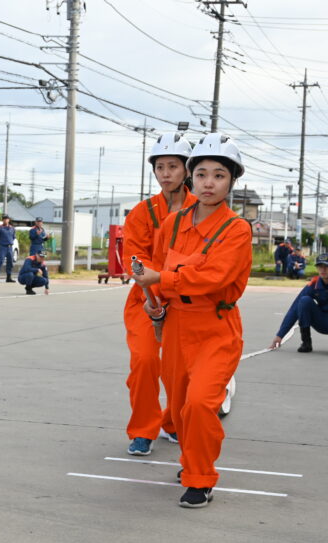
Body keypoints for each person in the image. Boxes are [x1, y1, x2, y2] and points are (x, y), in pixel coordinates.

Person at [135, 133, 253, 508]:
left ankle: (201, 478)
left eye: (219, 175)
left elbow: (214, 277)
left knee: (201, 403)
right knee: (182, 407)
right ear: (191, 178)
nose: (208, 182)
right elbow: (157, 269)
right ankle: (191, 461)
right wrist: (154, 303)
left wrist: (162, 280)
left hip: (216, 327)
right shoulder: (173, 223)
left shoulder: (237, 229)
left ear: (232, 181)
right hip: (176, 326)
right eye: (201, 174)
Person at [121, 132, 197, 456]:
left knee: (180, 371)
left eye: (173, 166)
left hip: (184, 301)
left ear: (187, 170)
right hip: (145, 300)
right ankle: (142, 429)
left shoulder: (204, 210)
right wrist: (153, 293)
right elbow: (134, 260)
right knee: (145, 361)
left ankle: (173, 423)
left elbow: (201, 259)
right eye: (160, 167)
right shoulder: (141, 213)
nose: (166, 174)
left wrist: (170, 286)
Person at [270, 253, 328, 354]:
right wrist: (280, 335)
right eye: (320, 266)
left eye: (326, 266)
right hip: (320, 319)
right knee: (304, 301)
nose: (323, 270)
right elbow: (294, 308)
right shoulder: (314, 283)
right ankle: (306, 342)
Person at [0, 214, 16, 283]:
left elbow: (14, 237)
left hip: (10, 247)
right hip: (3, 247)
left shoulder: (12, 228)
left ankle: (8, 277)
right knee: (0, 261)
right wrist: (0, 243)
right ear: (2, 220)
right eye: (4, 219)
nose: (5, 220)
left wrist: (10, 242)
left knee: (10, 262)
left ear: (9, 220)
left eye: (7, 219)